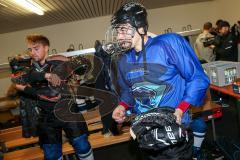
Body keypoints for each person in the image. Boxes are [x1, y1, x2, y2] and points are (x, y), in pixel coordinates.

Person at [107, 2, 210, 160]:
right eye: (118, 31)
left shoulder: (168, 43)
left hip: (173, 132)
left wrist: (181, 109)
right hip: (145, 132)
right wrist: (122, 106)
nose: (119, 36)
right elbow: (129, 92)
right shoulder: (122, 60)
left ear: (140, 27)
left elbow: (197, 78)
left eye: (123, 30)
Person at [15, 34, 94, 160]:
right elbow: (17, 81)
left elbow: (53, 92)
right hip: (46, 116)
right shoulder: (28, 68)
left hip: (67, 111)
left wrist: (29, 89)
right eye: (30, 49)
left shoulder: (58, 62)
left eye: (36, 48)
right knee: (51, 155)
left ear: (46, 48)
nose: (33, 52)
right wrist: (45, 76)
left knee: (82, 145)